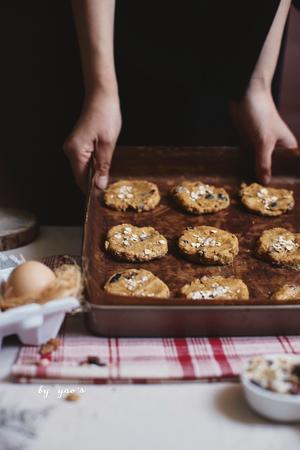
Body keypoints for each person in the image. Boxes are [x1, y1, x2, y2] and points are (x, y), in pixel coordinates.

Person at [63, 0, 298, 193]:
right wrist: (101, 90)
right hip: (122, 32)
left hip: (248, 35)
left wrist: (258, 84)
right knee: (113, 167)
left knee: (242, 167)